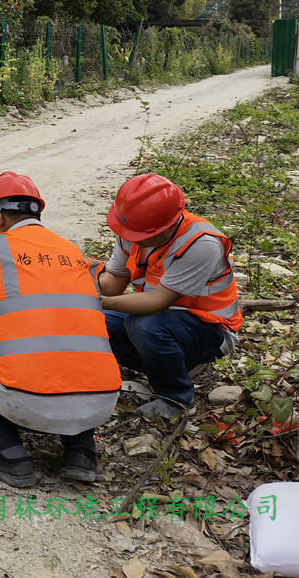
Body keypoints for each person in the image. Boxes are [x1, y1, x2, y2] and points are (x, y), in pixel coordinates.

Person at [0, 172, 121, 488]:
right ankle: (81, 452)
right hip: (100, 403)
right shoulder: (73, 252)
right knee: (73, 353)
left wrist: (5, 334)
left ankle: (8, 454)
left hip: (28, 400)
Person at [100, 174, 240, 420]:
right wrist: (79, 284)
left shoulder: (200, 244)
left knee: (143, 325)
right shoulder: (131, 230)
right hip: (166, 320)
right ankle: (169, 365)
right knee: (91, 320)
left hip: (211, 329)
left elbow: (156, 303)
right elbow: (113, 283)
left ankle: (177, 399)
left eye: (138, 234)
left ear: (165, 226)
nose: (131, 237)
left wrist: (98, 302)